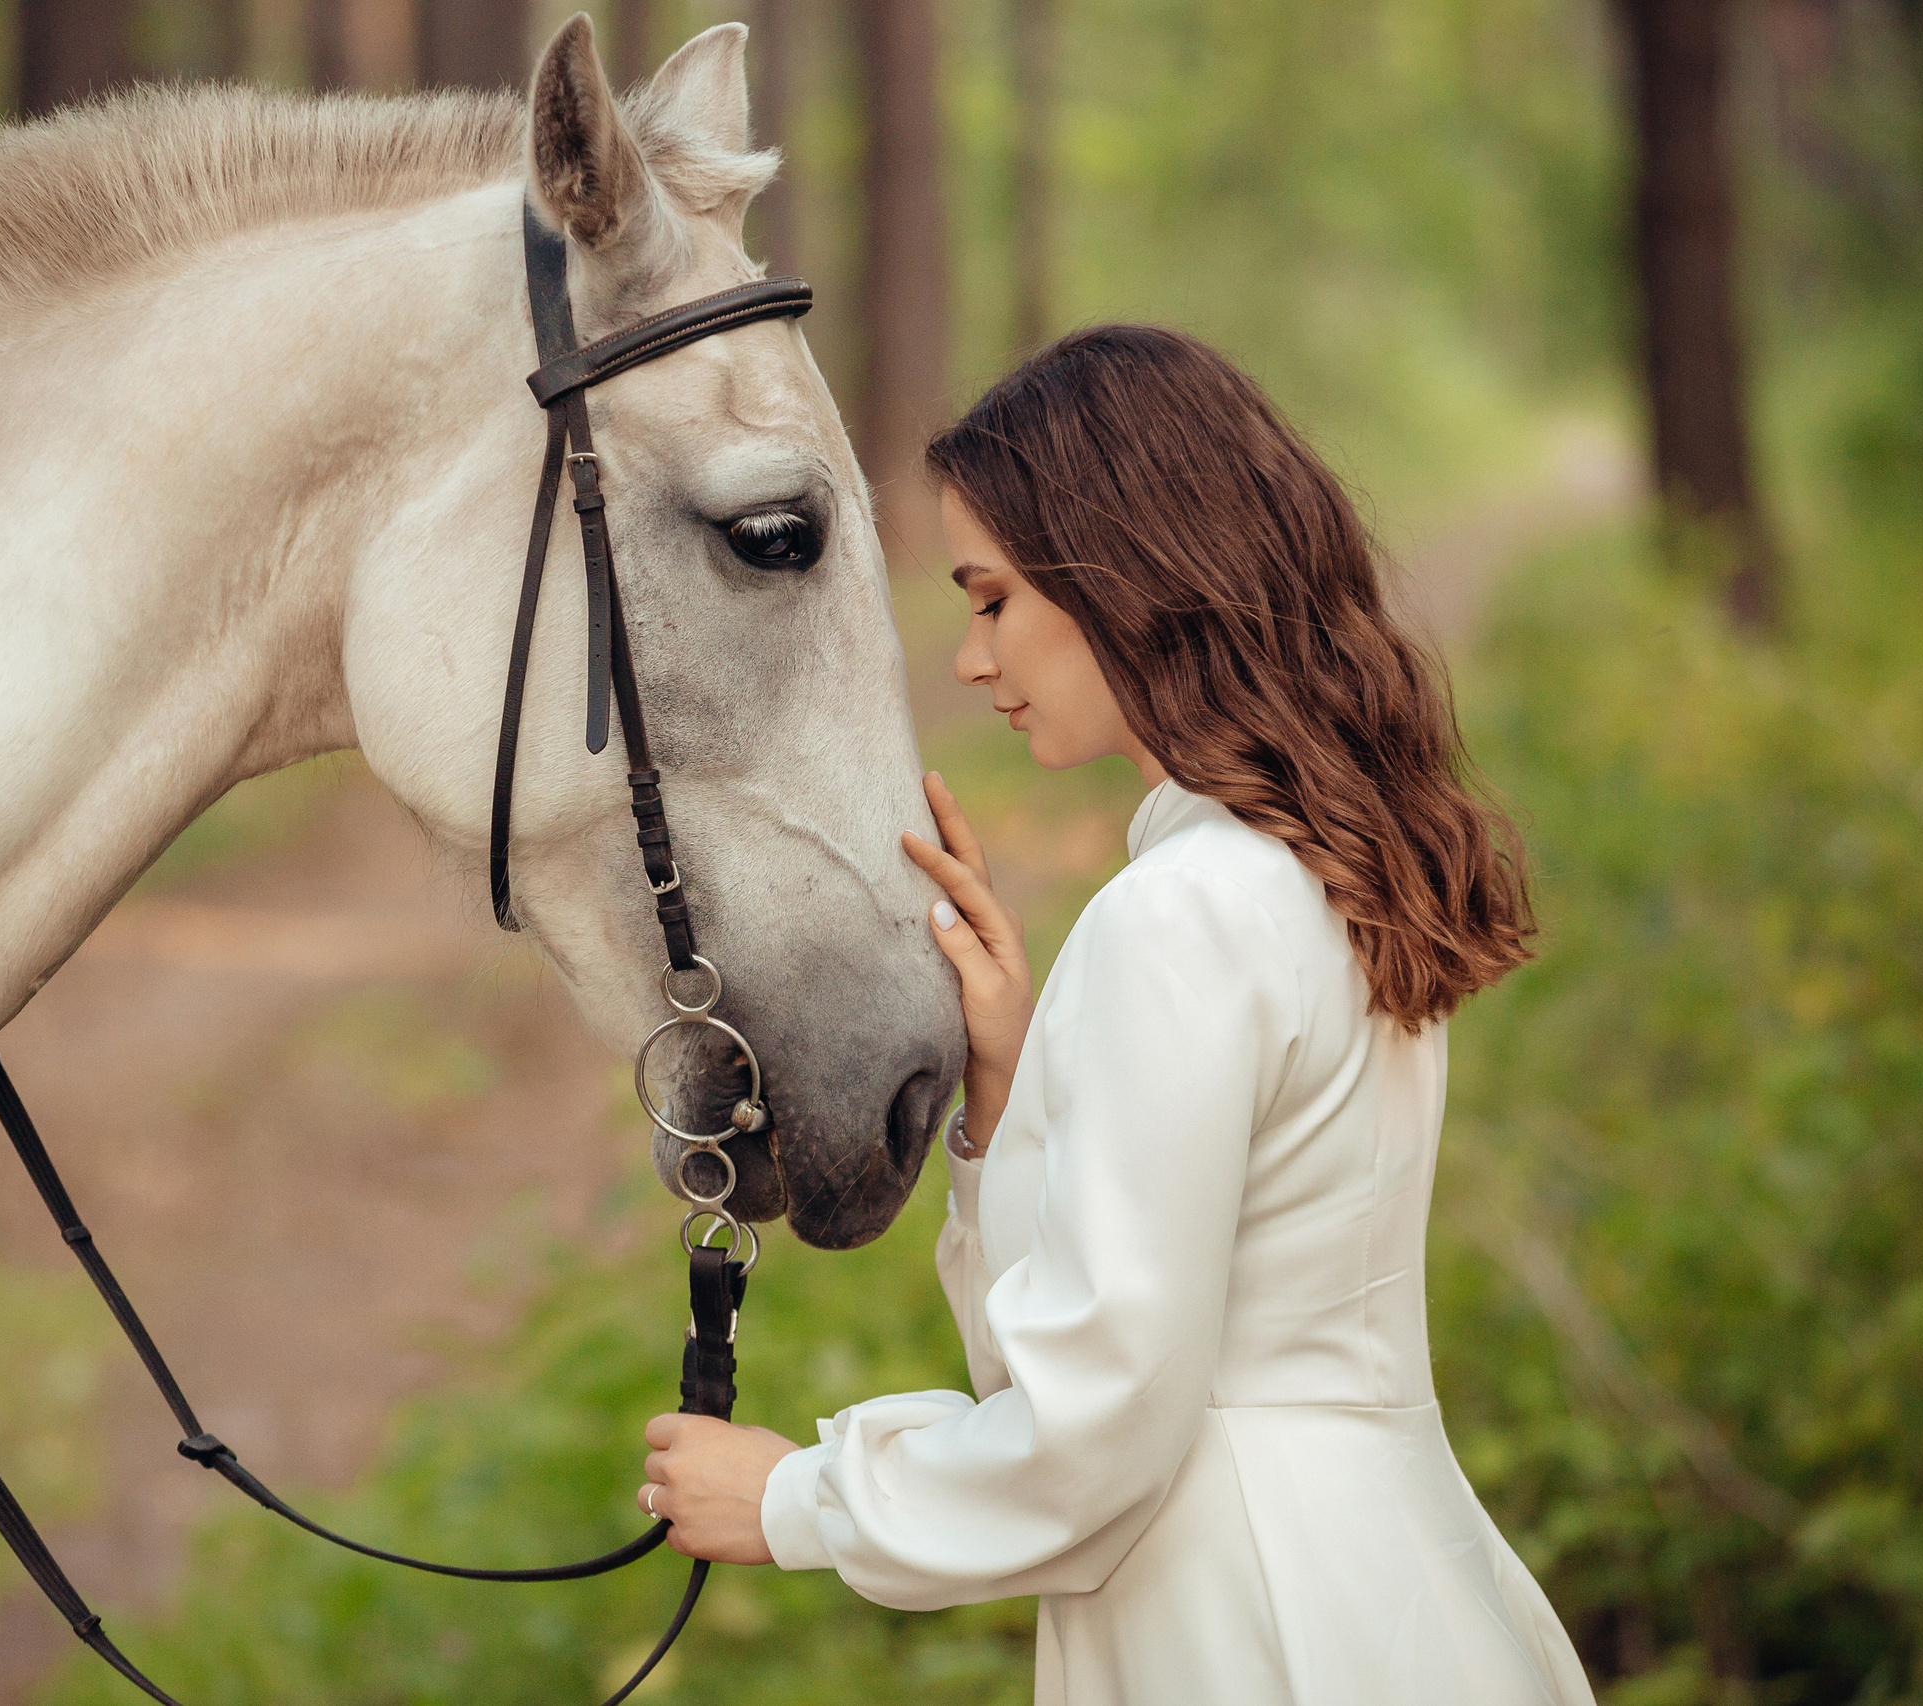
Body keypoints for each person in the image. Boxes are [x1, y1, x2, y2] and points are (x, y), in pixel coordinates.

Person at [634, 325, 1598, 1705]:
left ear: (1126, 579)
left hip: (1250, 1624)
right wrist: (1019, 1086)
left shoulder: (1182, 913)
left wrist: (799, 1495)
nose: (970, 661)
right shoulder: (1317, 874)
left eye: (993, 599)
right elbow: (1111, 1353)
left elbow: (1104, 1430)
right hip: (1385, 1586)